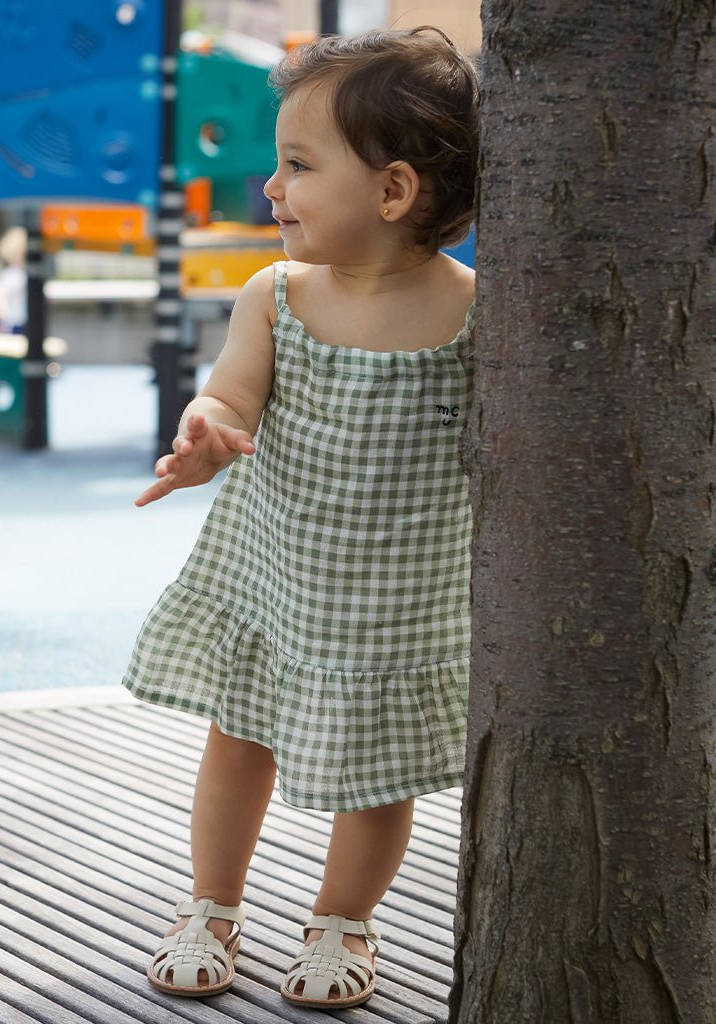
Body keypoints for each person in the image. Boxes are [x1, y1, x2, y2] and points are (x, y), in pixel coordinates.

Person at [123, 26, 479, 1010]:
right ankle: (211, 905)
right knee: (238, 739)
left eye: (296, 164)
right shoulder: (275, 296)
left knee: (376, 776)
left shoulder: (477, 317)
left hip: (392, 607)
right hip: (272, 575)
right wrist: (205, 430)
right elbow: (231, 399)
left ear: (393, 191)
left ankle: (342, 922)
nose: (270, 186)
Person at [0, 225, 28, 334]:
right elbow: (0, 298)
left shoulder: (27, 274)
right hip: (13, 323)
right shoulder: (10, 275)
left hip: (26, 321)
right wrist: (3, 316)